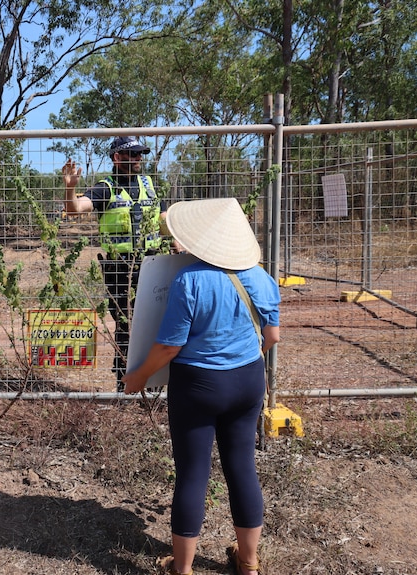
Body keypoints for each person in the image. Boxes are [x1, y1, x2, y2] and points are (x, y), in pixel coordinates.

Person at [121, 198, 280, 575]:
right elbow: (272, 336)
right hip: (248, 380)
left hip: (198, 386)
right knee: (242, 467)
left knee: (193, 474)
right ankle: (248, 563)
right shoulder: (261, 276)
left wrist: (139, 376)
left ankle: (183, 568)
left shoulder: (189, 279)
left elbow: (169, 346)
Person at [62, 136, 167, 391]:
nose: (138, 159)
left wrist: (176, 243)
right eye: (132, 155)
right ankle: (126, 385)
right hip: (119, 268)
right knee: (125, 325)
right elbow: (76, 208)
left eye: (140, 154)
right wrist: (70, 188)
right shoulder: (105, 188)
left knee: (155, 323)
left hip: (151, 265)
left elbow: (164, 219)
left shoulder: (149, 184)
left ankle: (153, 385)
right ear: (117, 158)